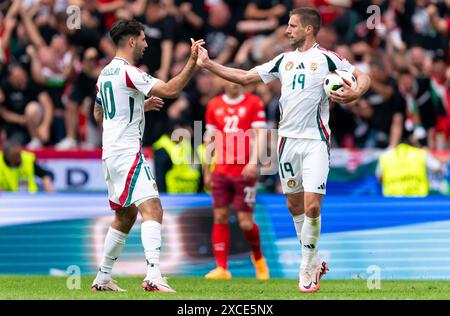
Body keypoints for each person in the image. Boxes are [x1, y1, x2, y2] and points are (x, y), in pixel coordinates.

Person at [196, 7, 370, 293]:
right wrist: (208, 65)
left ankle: (306, 266)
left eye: (292, 26)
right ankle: (314, 260)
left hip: (315, 141)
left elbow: (362, 75)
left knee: (313, 205)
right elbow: (244, 77)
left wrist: (356, 92)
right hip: (287, 143)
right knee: (294, 205)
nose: (287, 31)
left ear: (308, 29)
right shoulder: (283, 60)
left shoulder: (327, 57)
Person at [91, 19, 204, 293]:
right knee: (153, 208)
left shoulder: (104, 74)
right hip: (128, 152)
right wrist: (192, 62)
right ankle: (153, 274)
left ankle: (103, 277)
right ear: (131, 41)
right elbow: (171, 90)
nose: (146, 43)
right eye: (142, 39)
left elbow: (98, 114)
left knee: (125, 216)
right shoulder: (130, 72)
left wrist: (136, 107)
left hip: (111, 153)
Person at [202, 74, 270, 281]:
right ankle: (221, 268)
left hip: (244, 171)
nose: (233, 82)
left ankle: (258, 260)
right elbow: (210, 139)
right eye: (229, 78)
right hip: (221, 170)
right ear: (222, 81)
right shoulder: (213, 105)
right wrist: (207, 170)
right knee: (220, 216)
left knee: (246, 222)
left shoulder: (254, 102)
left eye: (237, 78)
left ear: (244, 81)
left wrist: (253, 162)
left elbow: (260, 135)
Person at [377, 141, 446, 197]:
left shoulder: (385, 156)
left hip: (391, 198)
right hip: (418, 198)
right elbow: (440, 168)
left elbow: (379, 178)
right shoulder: (421, 154)